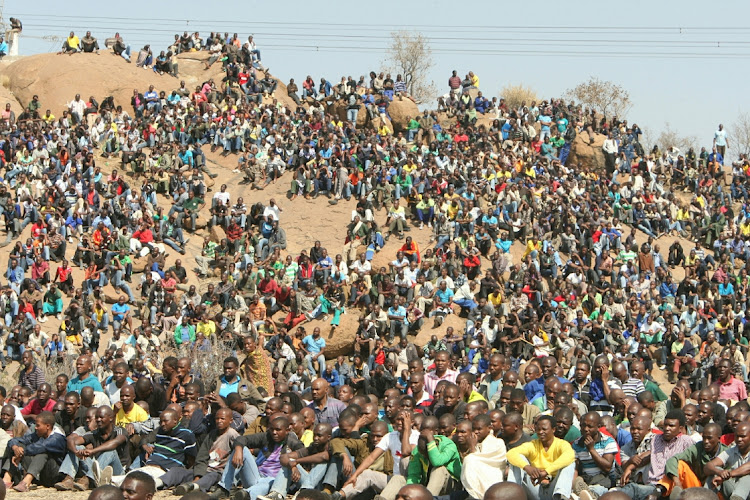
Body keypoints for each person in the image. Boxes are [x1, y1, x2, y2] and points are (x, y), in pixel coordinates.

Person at [506, 415, 576, 500]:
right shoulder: (533, 444)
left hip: (553, 488)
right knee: (517, 460)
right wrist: (527, 467)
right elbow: (510, 453)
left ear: (553, 430)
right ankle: (511, 496)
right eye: (538, 429)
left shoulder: (562, 444)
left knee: (570, 463)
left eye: (544, 429)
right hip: (535, 485)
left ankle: (561, 497)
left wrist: (546, 472)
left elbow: (570, 456)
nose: (540, 432)